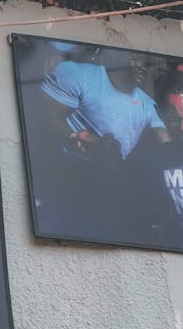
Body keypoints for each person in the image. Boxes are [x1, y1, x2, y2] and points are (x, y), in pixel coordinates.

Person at [38, 48, 170, 240]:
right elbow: (44, 117)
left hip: (107, 189)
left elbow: (168, 146)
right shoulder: (79, 75)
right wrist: (80, 137)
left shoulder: (145, 103)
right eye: (136, 57)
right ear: (114, 55)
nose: (143, 65)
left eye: (146, 60)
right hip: (66, 177)